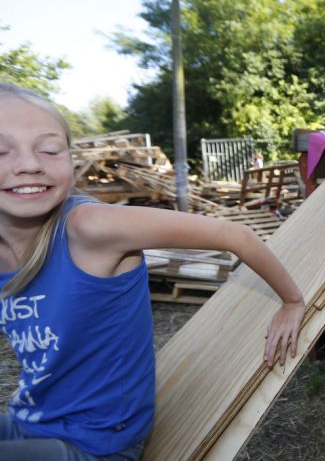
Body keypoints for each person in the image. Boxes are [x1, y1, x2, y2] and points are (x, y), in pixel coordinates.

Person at [0, 83, 305, 460]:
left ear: (69, 159)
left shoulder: (91, 228)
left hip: (94, 442)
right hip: (30, 419)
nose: (29, 164)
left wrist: (292, 301)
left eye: (49, 149)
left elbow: (235, 234)